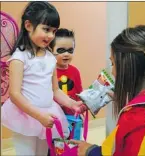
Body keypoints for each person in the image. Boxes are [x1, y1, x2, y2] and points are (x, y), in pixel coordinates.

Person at [1, 2, 86, 156]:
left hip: (47, 114)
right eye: (46, 30)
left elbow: (55, 90)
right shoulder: (19, 58)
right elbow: (15, 94)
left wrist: (72, 104)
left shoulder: (50, 58)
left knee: (43, 153)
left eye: (54, 31)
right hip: (26, 116)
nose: (51, 36)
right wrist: (38, 115)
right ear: (28, 25)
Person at [72, 25, 145, 156]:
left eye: (113, 63)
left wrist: (90, 151)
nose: (112, 71)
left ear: (127, 67)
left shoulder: (141, 119)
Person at [50, 28, 83, 115]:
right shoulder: (49, 71)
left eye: (70, 50)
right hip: (54, 116)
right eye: (61, 50)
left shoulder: (75, 71)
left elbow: (79, 94)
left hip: (72, 114)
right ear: (51, 50)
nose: (66, 54)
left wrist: (80, 112)